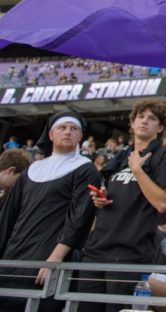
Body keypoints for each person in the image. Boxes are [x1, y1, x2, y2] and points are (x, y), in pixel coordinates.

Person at [80, 99, 166, 312]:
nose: (145, 121)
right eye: (140, 117)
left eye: (152, 119)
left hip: (129, 252)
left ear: (160, 127)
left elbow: (163, 203)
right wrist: (101, 198)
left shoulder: (164, 155)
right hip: (96, 250)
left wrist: (137, 171)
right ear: (132, 124)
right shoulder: (119, 157)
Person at [0, 110, 101, 312]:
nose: (68, 132)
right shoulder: (32, 169)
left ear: (80, 137)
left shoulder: (85, 169)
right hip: (14, 257)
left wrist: (55, 258)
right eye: (62, 128)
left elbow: (79, 218)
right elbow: (8, 217)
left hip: (48, 260)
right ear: (50, 134)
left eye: (74, 129)